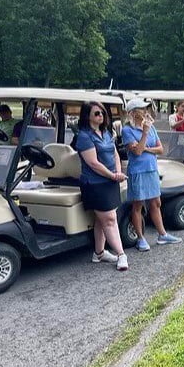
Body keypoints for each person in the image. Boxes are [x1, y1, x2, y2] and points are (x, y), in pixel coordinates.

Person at [122, 98, 183, 252]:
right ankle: (140, 238)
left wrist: (146, 148)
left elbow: (161, 149)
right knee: (138, 204)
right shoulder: (127, 130)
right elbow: (137, 151)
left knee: (156, 202)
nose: (145, 111)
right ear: (133, 113)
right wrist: (144, 133)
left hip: (151, 169)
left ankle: (162, 234)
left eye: (145, 108)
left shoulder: (151, 127)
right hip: (138, 171)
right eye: (142, 109)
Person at [75, 102, 128, 271]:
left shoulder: (106, 133)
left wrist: (117, 172)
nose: (101, 116)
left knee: (102, 219)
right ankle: (121, 254)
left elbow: (115, 154)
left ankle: (99, 253)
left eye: (102, 113)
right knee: (110, 219)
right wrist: (113, 175)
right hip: (95, 184)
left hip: (109, 182)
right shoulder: (84, 136)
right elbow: (93, 163)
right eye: (97, 113)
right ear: (87, 116)